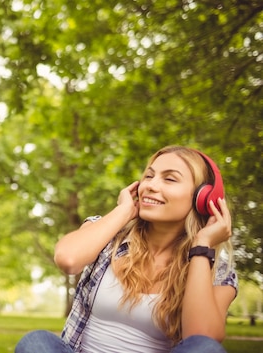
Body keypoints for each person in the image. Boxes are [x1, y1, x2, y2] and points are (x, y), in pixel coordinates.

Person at [15, 145, 238, 353]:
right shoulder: (108, 232)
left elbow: (201, 338)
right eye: (149, 176)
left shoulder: (218, 269)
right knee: (36, 342)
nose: (150, 185)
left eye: (169, 179)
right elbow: (68, 259)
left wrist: (201, 248)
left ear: (203, 199)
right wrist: (124, 211)